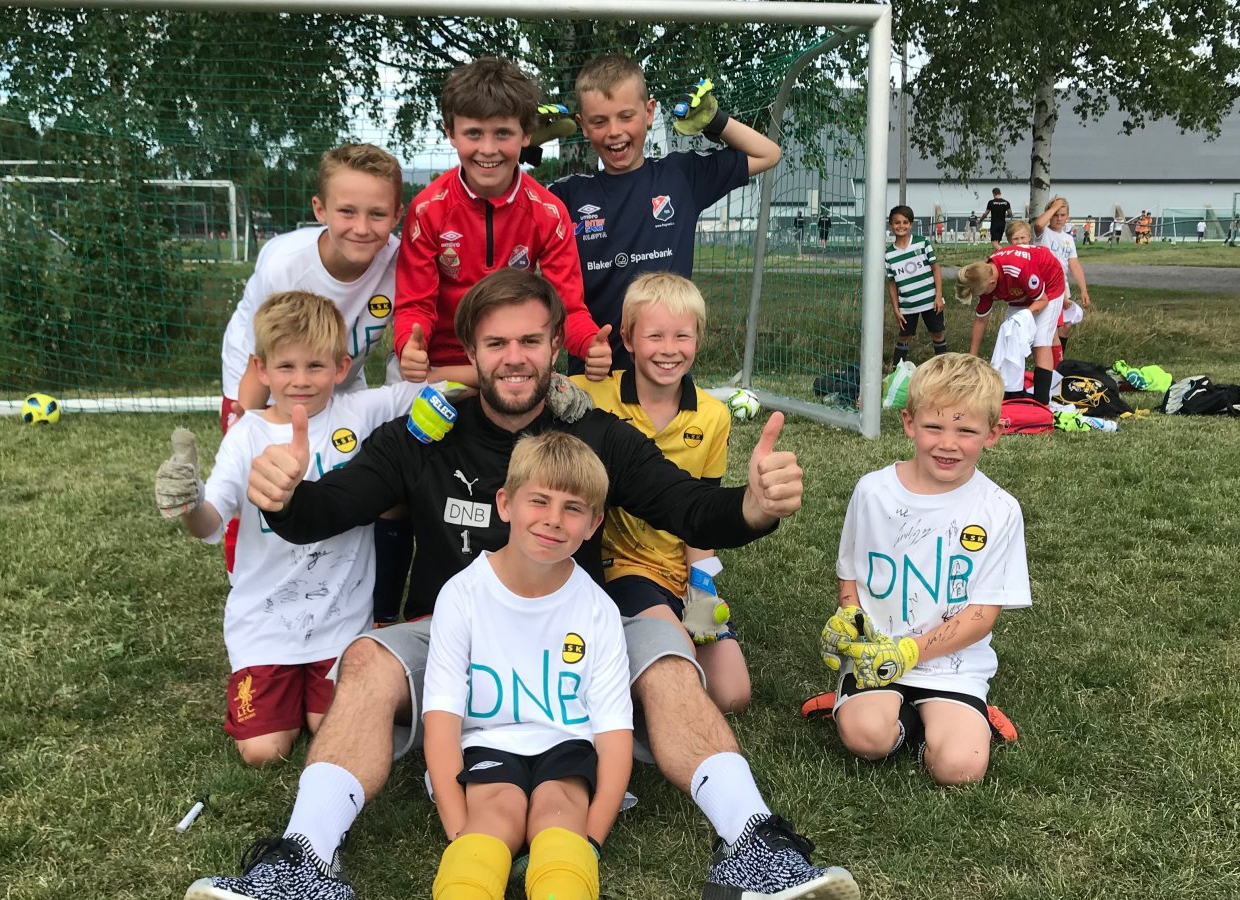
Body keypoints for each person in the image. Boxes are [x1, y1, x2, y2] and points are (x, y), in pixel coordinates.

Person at [184, 268, 858, 900]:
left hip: (575, 636)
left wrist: (754, 506)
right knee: (366, 659)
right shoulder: (422, 438)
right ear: (471, 353)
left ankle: (754, 845)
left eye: (531, 341)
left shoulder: (594, 435)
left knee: (668, 653)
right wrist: (285, 499)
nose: (515, 358)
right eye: (497, 343)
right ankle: (303, 859)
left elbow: (687, 506)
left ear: (556, 346)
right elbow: (328, 511)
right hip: (454, 636)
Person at [155, 291, 431, 767]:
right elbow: (210, 522)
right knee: (264, 752)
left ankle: (313, 694)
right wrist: (189, 503)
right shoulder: (247, 435)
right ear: (261, 369)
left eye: (315, 366)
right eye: (286, 367)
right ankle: (273, 689)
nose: (301, 380)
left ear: (341, 367)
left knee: (336, 727)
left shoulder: (362, 411)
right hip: (264, 624)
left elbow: (437, 392)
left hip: (341, 623)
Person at [424, 431, 632, 900]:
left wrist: (590, 842)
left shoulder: (598, 610)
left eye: (573, 508)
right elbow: (441, 723)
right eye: (539, 500)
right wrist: (460, 834)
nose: (553, 520)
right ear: (505, 504)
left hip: (566, 743)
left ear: (594, 523)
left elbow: (614, 735)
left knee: (559, 811)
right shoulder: (462, 596)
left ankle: (565, 881)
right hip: (488, 743)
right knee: (495, 812)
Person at [816, 353, 1032, 785]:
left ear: (992, 434)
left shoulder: (999, 509)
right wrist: (850, 616)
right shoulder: (872, 491)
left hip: (954, 665)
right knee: (866, 738)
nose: (948, 443)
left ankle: (948, 723)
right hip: (876, 656)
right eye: (934, 426)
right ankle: (897, 720)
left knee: (960, 769)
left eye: (966, 431)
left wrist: (911, 652)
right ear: (909, 422)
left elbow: (982, 613)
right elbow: (850, 572)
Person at [216, 143, 404, 575]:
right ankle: (243, 572)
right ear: (320, 209)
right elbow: (260, 358)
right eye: (347, 212)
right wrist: (245, 424)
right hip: (267, 368)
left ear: (397, 215)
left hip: (340, 372)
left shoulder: (402, 261)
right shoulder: (284, 264)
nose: (362, 227)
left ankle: (328, 574)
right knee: (260, 474)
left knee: (339, 476)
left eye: (377, 214)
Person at [575, 272, 750, 714]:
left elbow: (701, 516)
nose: (669, 349)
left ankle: (646, 648)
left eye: (682, 336)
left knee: (732, 695)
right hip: (620, 568)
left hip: (679, 574)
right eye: (654, 335)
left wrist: (702, 588)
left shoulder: (713, 415)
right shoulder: (591, 393)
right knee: (680, 663)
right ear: (628, 339)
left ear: (698, 340)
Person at [547, 54, 781, 374]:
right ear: (583, 125)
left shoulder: (680, 176)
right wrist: (521, 140)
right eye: (599, 121)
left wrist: (715, 120)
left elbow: (768, 153)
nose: (614, 131)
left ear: (649, 112)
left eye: (626, 116)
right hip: (594, 373)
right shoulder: (567, 195)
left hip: (666, 372)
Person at [393, 56, 610, 385]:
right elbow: (414, 306)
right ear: (450, 133)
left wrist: (589, 344)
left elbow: (568, 308)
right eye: (474, 133)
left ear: (526, 134)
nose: (488, 149)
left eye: (503, 133)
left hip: (510, 363)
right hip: (437, 366)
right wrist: (409, 346)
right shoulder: (427, 209)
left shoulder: (549, 212)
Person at [958, 238, 1067, 409]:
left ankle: (1042, 401)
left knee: (1040, 340)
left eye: (983, 292)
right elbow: (981, 319)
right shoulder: (984, 277)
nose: (984, 296)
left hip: (1049, 285)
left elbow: (1042, 300)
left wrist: (1026, 314)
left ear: (992, 283)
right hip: (1021, 289)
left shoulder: (1019, 269)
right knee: (1010, 337)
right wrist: (972, 356)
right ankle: (1011, 391)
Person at [885, 205, 946, 365]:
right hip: (907, 305)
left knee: (938, 334)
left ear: (911, 224)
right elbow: (892, 283)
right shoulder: (889, 254)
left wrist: (939, 296)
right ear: (891, 225)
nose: (901, 226)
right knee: (904, 337)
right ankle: (896, 371)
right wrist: (896, 309)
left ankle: (944, 369)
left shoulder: (922, 243)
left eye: (905, 222)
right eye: (897, 222)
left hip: (931, 301)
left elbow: (936, 269)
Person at [1032, 197, 1091, 359]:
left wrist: (1083, 290)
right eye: (1055, 215)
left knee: (1065, 326)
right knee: (1050, 328)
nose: (1058, 219)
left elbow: (1074, 265)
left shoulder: (1068, 239)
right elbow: (1038, 225)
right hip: (1047, 287)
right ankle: (1050, 362)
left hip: (1063, 286)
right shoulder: (1043, 234)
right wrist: (1053, 207)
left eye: (1062, 215)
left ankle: (1058, 359)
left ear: (1068, 216)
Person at [985, 188, 1011, 252]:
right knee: (997, 242)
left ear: (993, 194)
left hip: (994, 224)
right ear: (1000, 193)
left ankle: (1004, 252)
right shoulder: (1006, 202)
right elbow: (1010, 214)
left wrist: (980, 220)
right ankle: (995, 256)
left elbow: (986, 213)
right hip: (1002, 224)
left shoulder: (991, 202)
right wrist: (1004, 215)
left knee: (994, 242)